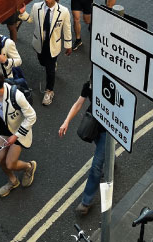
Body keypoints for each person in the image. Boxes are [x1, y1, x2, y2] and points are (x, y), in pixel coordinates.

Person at [59, 78, 106, 216]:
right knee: (101, 149)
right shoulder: (89, 84)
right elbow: (79, 103)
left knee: (96, 166)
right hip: (94, 124)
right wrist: (66, 121)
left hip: (107, 130)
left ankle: (87, 202)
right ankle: (110, 158)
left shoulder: (111, 85)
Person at [18, 0, 72, 106]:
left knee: (50, 70)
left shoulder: (63, 12)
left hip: (54, 45)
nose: (47, 0)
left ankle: (49, 91)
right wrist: (23, 14)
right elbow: (31, 19)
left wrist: (68, 45)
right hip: (40, 44)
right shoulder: (37, 7)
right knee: (42, 62)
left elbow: (67, 29)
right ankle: (51, 64)